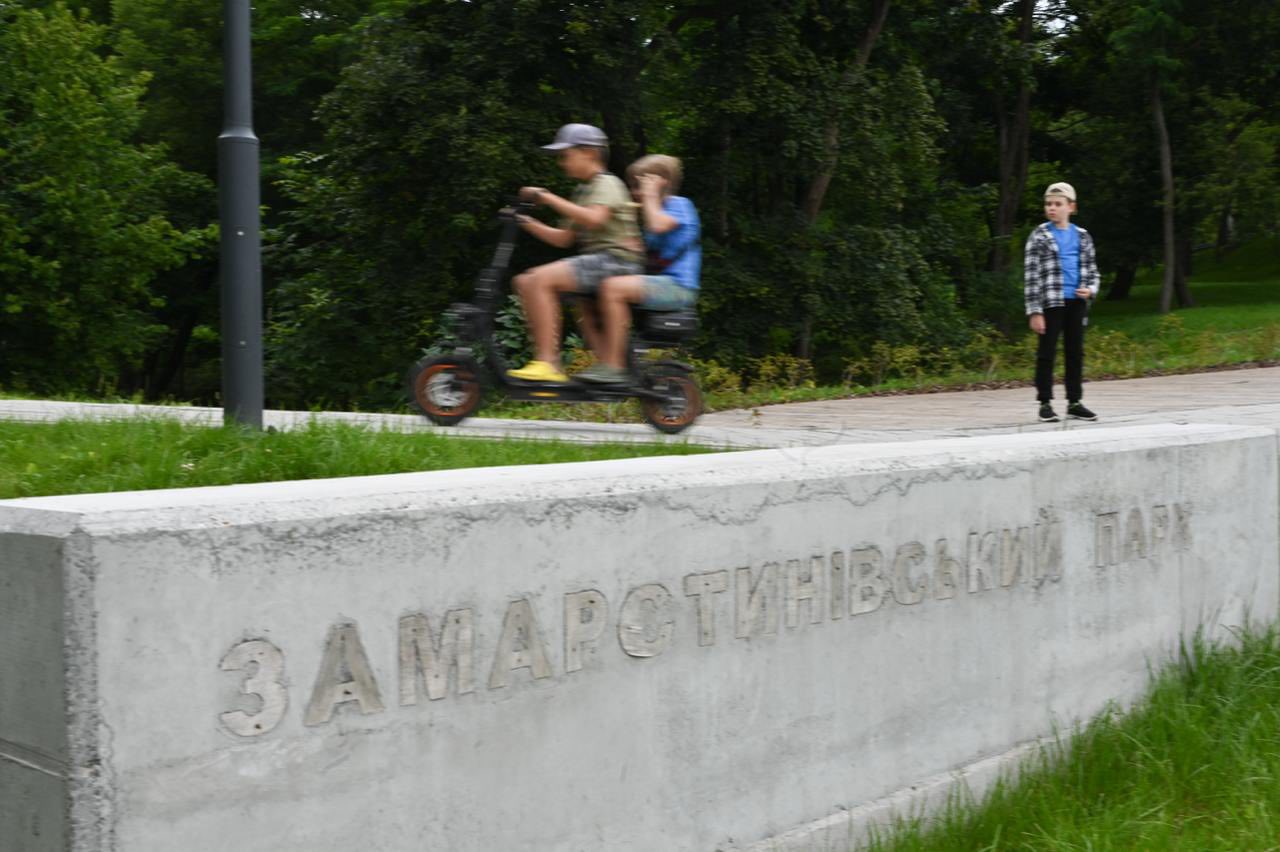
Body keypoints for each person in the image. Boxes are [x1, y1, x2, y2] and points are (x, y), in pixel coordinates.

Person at [506, 124, 643, 383]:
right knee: (524, 281)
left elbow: (593, 219)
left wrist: (547, 197)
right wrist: (524, 221)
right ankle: (544, 359)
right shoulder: (583, 190)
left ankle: (548, 363)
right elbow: (563, 238)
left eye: (565, 155)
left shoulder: (607, 183)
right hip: (600, 262)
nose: (561, 162)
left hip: (618, 261)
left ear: (589, 153)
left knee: (539, 279)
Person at [574, 154, 701, 385]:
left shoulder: (680, 205)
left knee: (612, 288)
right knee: (586, 296)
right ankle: (605, 363)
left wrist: (650, 195)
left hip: (679, 287)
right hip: (658, 284)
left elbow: (658, 224)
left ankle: (614, 367)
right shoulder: (653, 214)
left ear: (659, 182)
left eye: (637, 185)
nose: (633, 192)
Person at [1025, 181, 1100, 423]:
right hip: (1051, 303)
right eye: (1048, 204)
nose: (1052, 208)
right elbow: (1031, 275)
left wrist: (1090, 289)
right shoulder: (1039, 235)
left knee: (1075, 353)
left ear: (1071, 207)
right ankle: (1045, 403)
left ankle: (1074, 402)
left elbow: (1093, 271)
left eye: (1058, 204)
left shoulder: (1083, 236)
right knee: (1047, 353)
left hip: (1076, 302)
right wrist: (1035, 311)